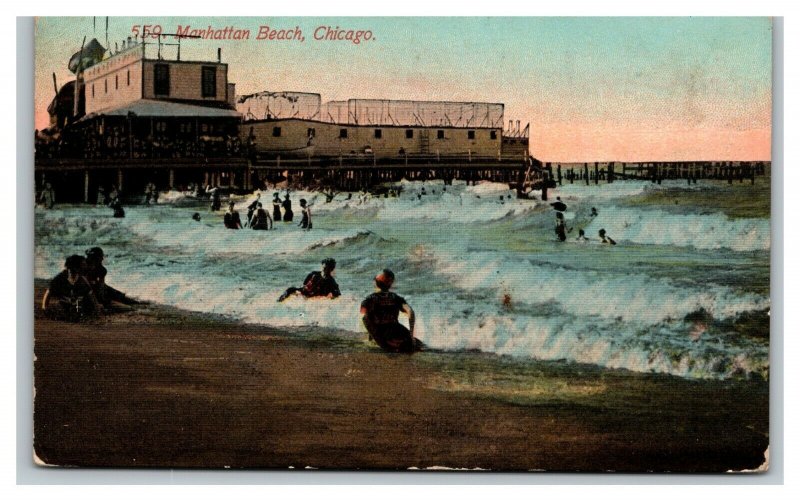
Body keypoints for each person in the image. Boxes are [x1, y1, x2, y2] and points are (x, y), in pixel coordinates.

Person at [360, 269, 417, 353]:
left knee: (365, 317)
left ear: (375, 283)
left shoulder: (370, 298)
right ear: (391, 284)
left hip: (382, 335)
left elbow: (364, 316)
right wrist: (411, 334)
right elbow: (411, 312)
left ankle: (373, 340)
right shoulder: (395, 297)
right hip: (396, 330)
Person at [41, 255, 101, 321]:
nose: (85, 267)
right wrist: (45, 308)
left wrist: (97, 311)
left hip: (77, 304)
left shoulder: (82, 280)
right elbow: (48, 292)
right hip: (64, 303)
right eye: (83, 265)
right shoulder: (60, 278)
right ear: (75, 267)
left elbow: (92, 297)